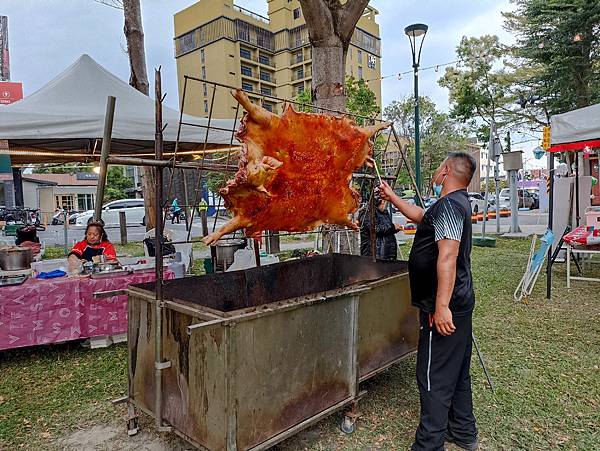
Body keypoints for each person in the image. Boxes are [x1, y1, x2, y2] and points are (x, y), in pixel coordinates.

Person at [379, 152, 478, 451]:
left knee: (433, 375)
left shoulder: (449, 206)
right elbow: (421, 216)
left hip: (446, 306)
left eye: (438, 168)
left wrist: (441, 306)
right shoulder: (453, 204)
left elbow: (447, 257)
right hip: (460, 300)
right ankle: (463, 431)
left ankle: (429, 444)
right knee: (457, 370)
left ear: (446, 170)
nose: (435, 173)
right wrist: (393, 197)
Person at [358, 188, 402, 260]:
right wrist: (393, 227)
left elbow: (386, 228)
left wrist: (394, 229)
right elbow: (375, 229)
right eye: (384, 202)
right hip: (376, 253)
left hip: (387, 252)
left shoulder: (384, 212)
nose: (384, 204)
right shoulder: (367, 213)